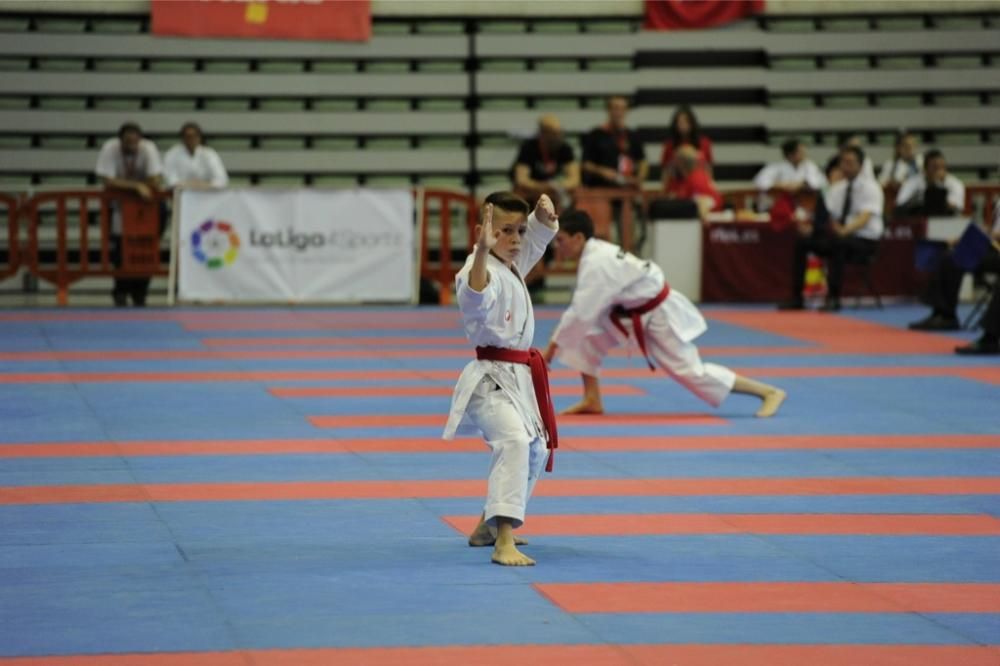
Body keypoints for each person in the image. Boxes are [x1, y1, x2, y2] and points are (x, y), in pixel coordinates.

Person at [542, 209, 786, 419]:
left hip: (657, 314)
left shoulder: (598, 263)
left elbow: (580, 313)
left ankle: (768, 392)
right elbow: (583, 315)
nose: (558, 247)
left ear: (578, 237)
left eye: (561, 240)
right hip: (632, 310)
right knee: (588, 337)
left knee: (690, 372)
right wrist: (555, 346)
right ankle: (592, 399)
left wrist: (551, 350)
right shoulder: (595, 254)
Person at [442, 192, 559, 567]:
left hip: (518, 378)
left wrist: (542, 221)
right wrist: (479, 251)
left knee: (537, 447)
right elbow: (476, 295)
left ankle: (486, 528)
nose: (514, 239)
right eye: (504, 231)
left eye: (519, 231)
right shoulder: (479, 269)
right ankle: (503, 541)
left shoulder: (510, 265)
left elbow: (535, 243)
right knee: (513, 442)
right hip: (490, 381)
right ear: (483, 232)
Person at [779, 146, 884, 312]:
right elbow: (828, 217)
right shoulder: (837, 188)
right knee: (803, 243)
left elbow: (865, 217)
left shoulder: (871, 187)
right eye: (843, 162)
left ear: (860, 165)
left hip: (864, 241)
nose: (845, 166)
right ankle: (796, 297)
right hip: (841, 239)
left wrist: (844, 231)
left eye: (850, 162)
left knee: (838, 242)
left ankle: (833, 298)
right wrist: (812, 230)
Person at [94, 122, 164, 307]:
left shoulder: (148, 148)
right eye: (127, 142)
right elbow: (108, 180)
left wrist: (130, 185)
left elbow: (155, 179)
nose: (131, 145)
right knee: (120, 250)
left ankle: (140, 293)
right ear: (120, 141)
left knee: (146, 250)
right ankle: (120, 291)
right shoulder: (110, 148)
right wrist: (136, 186)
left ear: (140, 140)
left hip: (145, 208)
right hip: (119, 206)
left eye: (134, 142)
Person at [909, 205, 1000, 335]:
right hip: (991, 247)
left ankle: (947, 317)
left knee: (955, 259)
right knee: (948, 256)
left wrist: (990, 234)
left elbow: (993, 234)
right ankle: (942, 314)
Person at [511, 114, 579, 210]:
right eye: (553, 134)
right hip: (533, 192)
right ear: (543, 133)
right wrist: (542, 187)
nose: (557, 137)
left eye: (559, 133)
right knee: (519, 193)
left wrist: (557, 186)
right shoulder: (528, 148)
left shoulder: (565, 148)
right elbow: (521, 179)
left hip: (555, 192)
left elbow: (575, 179)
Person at [581, 96, 648, 189]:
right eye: (616, 108)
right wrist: (602, 171)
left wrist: (638, 179)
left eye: (622, 108)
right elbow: (586, 164)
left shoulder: (633, 136)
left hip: (626, 189)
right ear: (609, 110)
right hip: (600, 188)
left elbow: (642, 162)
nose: (619, 112)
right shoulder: (595, 135)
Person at [895, 149, 966, 217]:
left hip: (947, 222)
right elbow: (900, 205)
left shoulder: (955, 184)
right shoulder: (912, 182)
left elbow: (956, 208)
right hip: (918, 221)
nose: (939, 171)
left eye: (942, 166)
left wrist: (937, 185)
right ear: (925, 169)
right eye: (935, 167)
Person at [660, 104, 713, 188]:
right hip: (676, 187)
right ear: (675, 124)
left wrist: (709, 185)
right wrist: (664, 189)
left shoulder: (703, 143)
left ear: (692, 123)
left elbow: (708, 169)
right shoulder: (669, 144)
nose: (682, 125)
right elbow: (666, 171)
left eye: (685, 122)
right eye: (679, 122)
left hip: (698, 186)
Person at [163, 122, 229, 189]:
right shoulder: (172, 154)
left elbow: (222, 180)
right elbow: (170, 181)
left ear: (199, 137)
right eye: (188, 136)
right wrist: (191, 184)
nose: (191, 139)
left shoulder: (209, 154)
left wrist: (202, 185)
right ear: (182, 138)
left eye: (195, 136)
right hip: (181, 195)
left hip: (206, 194)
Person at [663, 144, 722, 218]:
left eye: (675, 161)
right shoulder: (678, 180)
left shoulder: (697, 179)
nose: (672, 164)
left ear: (680, 163)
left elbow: (704, 205)